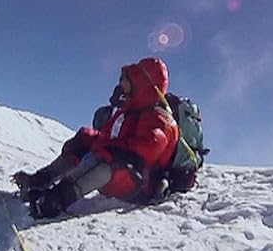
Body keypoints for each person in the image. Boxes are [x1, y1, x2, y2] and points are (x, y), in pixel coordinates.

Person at [13, 56, 180, 219]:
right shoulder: (127, 111)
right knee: (87, 145)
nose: (122, 83)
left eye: (127, 80)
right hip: (125, 174)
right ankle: (39, 181)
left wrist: (110, 149)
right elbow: (106, 139)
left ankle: (55, 200)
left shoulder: (159, 119)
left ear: (142, 84)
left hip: (141, 186)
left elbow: (146, 149)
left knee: (105, 159)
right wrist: (86, 139)